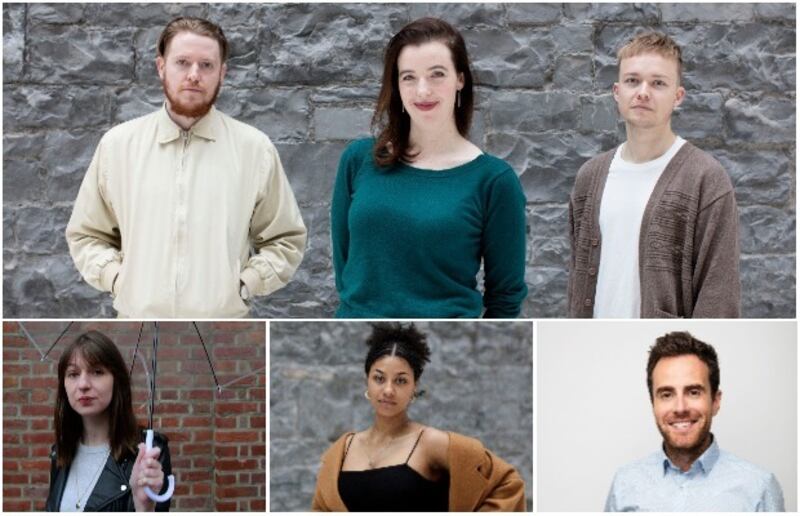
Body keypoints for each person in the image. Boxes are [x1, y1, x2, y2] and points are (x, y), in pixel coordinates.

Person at [66, 17, 306, 318]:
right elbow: (86, 234)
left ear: (223, 73)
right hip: (138, 321)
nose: (194, 75)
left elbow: (286, 238)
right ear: (161, 67)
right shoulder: (118, 146)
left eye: (206, 65)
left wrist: (245, 284)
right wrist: (116, 278)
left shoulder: (254, 150)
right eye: (182, 62)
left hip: (222, 326)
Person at [331, 17, 527, 318]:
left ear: (460, 78)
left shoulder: (493, 180)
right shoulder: (358, 160)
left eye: (437, 74)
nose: (422, 91)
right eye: (408, 77)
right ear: (396, 84)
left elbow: (505, 299)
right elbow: (346, 267)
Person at [568, 32, 740, 318]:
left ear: (678, 96)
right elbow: (577, 278)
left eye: (658, 83)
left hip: (665, 348)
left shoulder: (705, 179)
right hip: (595, 347)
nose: (643, 92)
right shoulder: (589, 177)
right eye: (632, 81)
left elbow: (719, 295)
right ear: (617, 91)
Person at [311, 323, 525, 511]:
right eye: (379, 378)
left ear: (415, 386)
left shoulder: (430, 442)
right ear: (367, 380)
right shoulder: (341, 450)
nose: (388, 390)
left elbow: (508, 483)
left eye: (401, 381)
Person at [605, 331, 784, 512]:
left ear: (715, 401)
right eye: (666, 394)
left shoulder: (760, 487)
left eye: (693, 392)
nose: (680, 408)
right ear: (653, 403)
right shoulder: (624, 485)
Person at [45, 331, 172, 511]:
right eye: (73, 374)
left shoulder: (148, 454)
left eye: (97, 372)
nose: (83, 384)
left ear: (116, 380)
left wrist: (144, 506)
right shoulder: (60, 453)